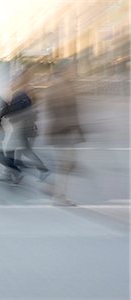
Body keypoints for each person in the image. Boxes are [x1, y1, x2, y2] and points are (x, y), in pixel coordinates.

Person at [45, 61, 84, 206]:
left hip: (65, 132)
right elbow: (59, 111)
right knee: (65, 164)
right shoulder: (59, 87)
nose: (74, 72)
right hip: (62, 133)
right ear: (64, 70)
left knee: (68, 164)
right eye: (72, 69)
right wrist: (72, 128)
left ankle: (54, 190)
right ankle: (59, 196)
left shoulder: (66, 86)